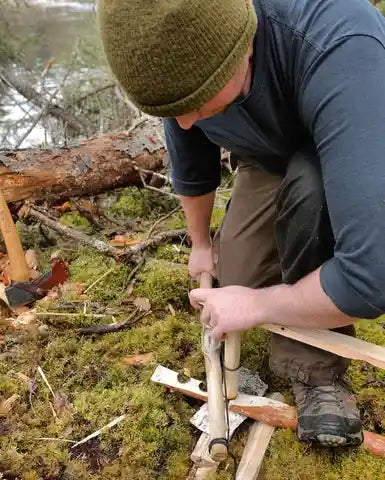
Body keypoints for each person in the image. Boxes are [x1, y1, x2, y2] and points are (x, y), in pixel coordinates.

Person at [97, 0, 385, 448]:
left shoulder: (341, 43)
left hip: (358, 145)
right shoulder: (191, 70)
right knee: (239, 276)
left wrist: (260, 305)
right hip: (271, 153)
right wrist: (199, 245)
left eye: (194, 103)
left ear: (240, 50)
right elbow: (191, 161)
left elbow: (371, 281)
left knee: (310, 197)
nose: (186, 121)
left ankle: (318, 372)